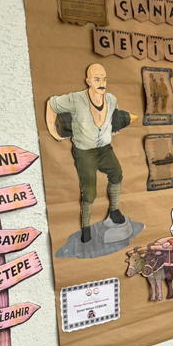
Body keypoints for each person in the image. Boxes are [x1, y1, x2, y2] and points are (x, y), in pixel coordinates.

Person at [46, 63, 125, 243]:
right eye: (97, 79)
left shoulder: (111, 99)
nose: (101, 83)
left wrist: (113, 128)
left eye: (104, 79)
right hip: (84, 152)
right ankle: (86, 226)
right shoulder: (76, 99)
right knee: (89, 192)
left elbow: (114, 115)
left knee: (117, 173)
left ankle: (114, 210)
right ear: (88, 81)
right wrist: (52, 130)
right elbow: (52, 103)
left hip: (104, 149)